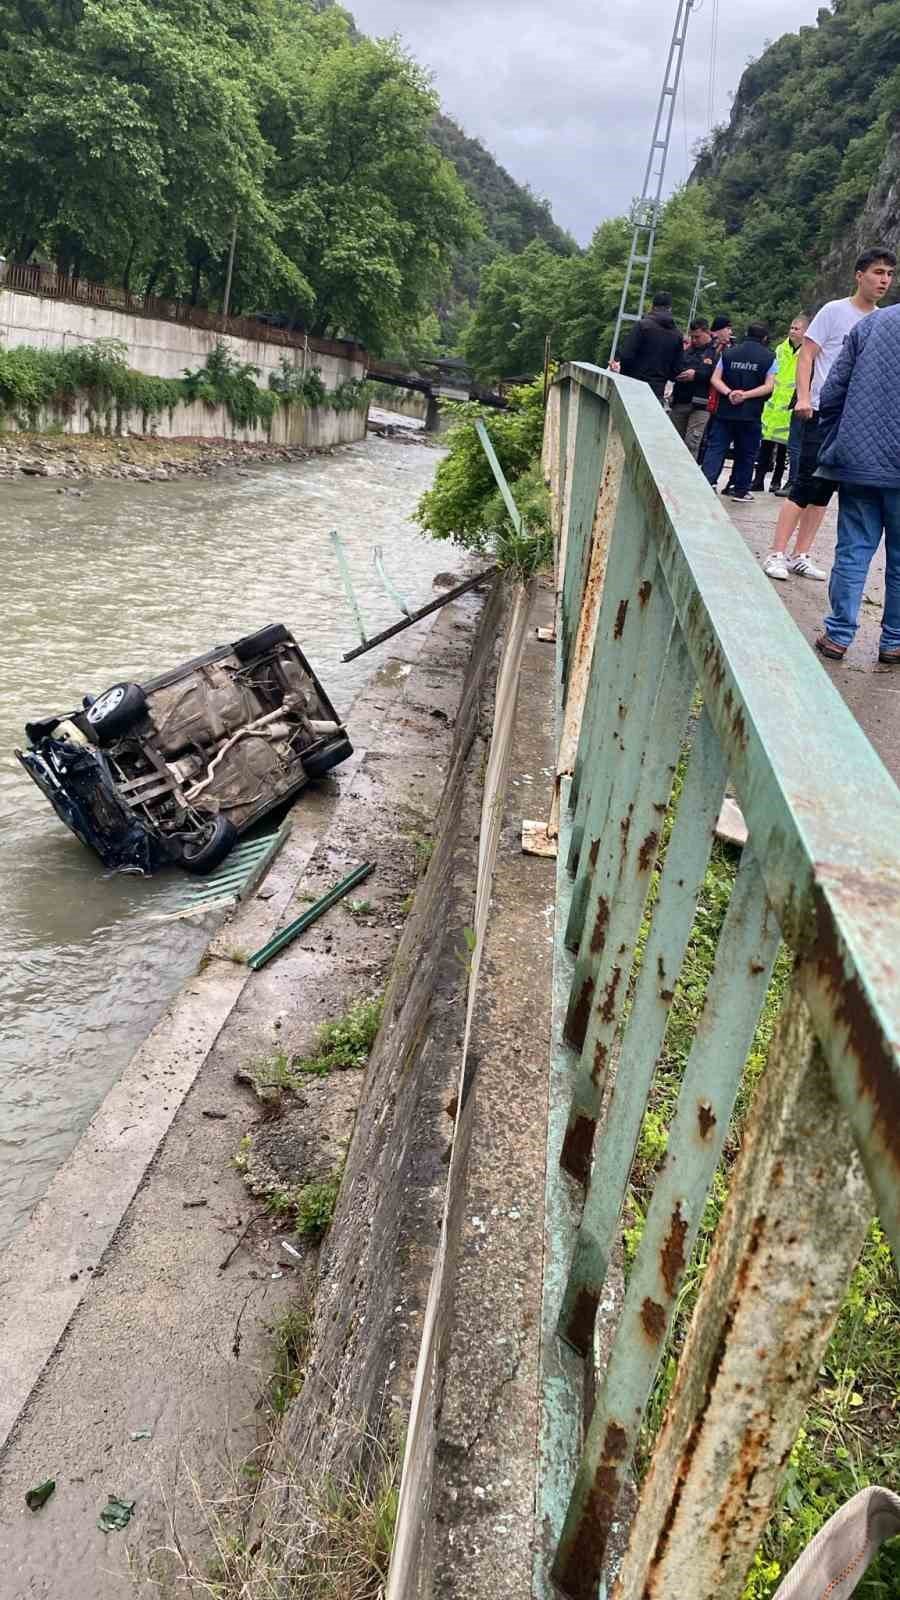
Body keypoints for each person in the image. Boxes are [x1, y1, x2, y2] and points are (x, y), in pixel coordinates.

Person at [761, 247, 896, 582]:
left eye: (890, 274)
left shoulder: (882, 320)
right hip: (821, 410)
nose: (884, 280)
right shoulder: (834, 311)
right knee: (805, 481)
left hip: (854, 419)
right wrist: (804, 398)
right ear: (859, 275)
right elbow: (807, 355)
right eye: (878, 272)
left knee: (826, 487)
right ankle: (776, 552)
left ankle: (800, 554)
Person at [812, 302, 900, 664]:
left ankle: (837, 635)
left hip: (859, 461)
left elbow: (833, 390)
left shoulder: (873, 323)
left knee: (853, 549)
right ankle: (893, 641)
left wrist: (837, 436)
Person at [701, 322, 777, 501]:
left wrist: (730, 393)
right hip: (750, 413)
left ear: (746, 333)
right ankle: (740, 489)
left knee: (716, 448)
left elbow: (715, 379)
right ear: (765, 338)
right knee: (747, 452)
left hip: (725, 410)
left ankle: (707, 483)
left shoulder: (729, 353)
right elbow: (769, 386)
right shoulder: (769, 357)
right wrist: (745, 395)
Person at [752, 313, 809, 492]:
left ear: (805, 332)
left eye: (796, 328)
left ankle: (777, 481)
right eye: (791, 327)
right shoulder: (780, 349)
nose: (792, 331)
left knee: (785, 450)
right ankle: (758, 480)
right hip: (774, 404)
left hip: (791, 405)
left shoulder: (807, 352)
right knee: (766, 445)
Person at [615, 291, 685, 401]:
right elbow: (677, 368)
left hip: (633, 386)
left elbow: (626, 355)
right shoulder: (677, 335)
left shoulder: (642, 326)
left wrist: (625, 376)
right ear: (670, 309)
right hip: (657, 391)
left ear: (652, 306)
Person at [669, 319, 717, 457]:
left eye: (697, 337)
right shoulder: (687, 351)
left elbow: (714, 374)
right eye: (692, 337)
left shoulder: (715, 351)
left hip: (701, 404)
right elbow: (675, 367)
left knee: (692, 443)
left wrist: (696, 375)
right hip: (681, 400)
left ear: (707, 332)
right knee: (674, 441)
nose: (694, 340)